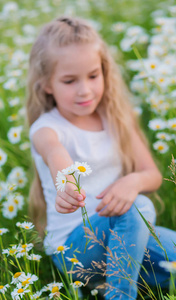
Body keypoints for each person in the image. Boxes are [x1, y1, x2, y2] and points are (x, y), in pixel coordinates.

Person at [27, 16, 176, 299]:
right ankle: (119, 294)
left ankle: (111, 279)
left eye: (93, 76)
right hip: (74, 251)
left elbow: (152, 174)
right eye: (69, 81)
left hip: (126, 236)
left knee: (163, 244)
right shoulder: (46, 129)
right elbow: (55, 153)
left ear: (105, 72)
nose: (85, 90)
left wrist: (132, 181)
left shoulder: (116, 118)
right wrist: (66, 185)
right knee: (138, 207)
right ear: (46, 84)